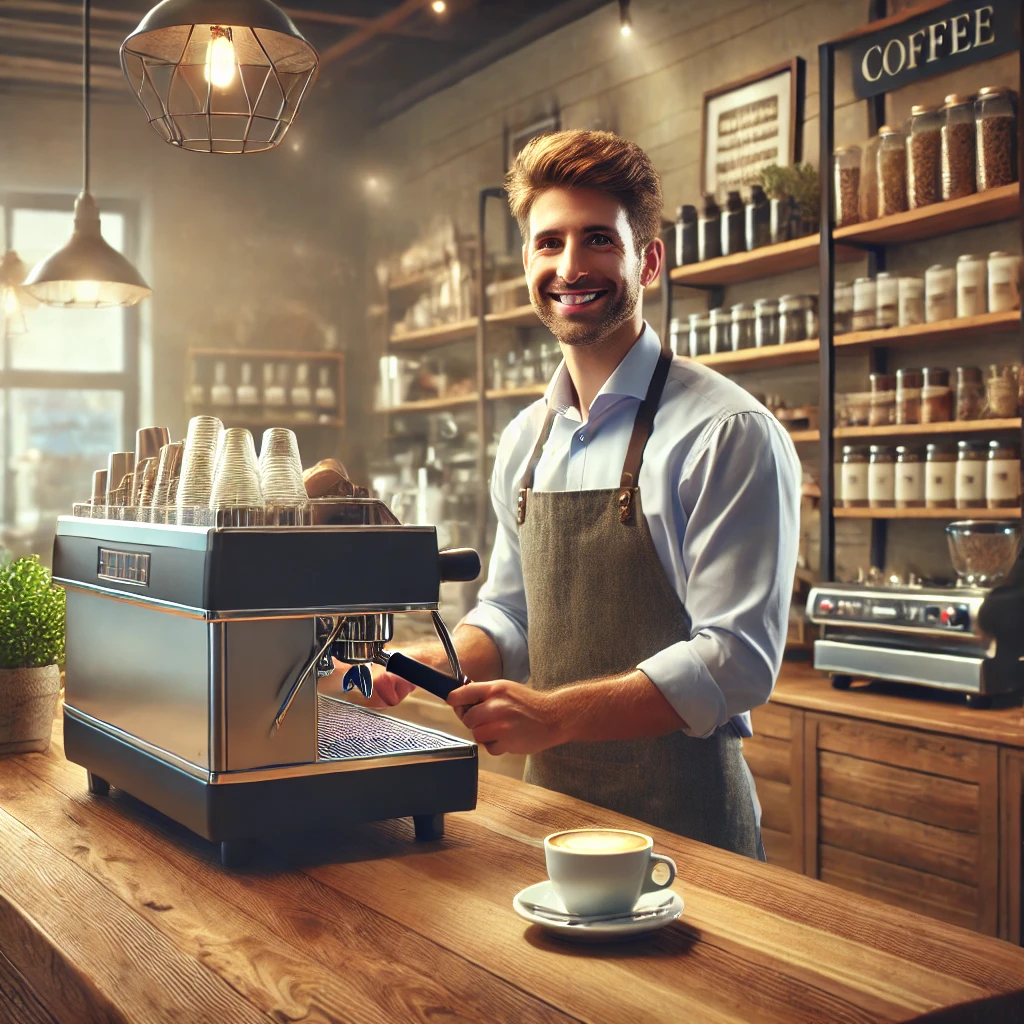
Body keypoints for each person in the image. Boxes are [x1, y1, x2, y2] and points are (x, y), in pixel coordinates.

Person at [352, 130, 800, 858]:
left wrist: (557, 714)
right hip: (548, 818)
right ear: (528, 259)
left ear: (647, 259)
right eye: (550, 242)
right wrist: (433, 662)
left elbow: (737, 659)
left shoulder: (726, 432)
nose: (571, 266)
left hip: (689, 832)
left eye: (599, 240)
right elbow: (511, 612)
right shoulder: (526, 439)